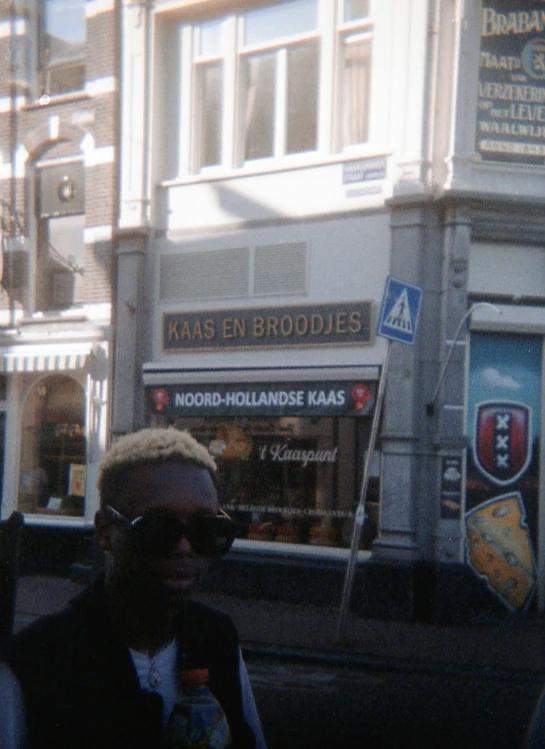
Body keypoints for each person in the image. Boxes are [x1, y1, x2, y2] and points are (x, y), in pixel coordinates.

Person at [0, 428, 267, 749]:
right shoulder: (34, 662)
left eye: (206, 530)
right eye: (157, 529)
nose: (184, 548)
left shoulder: (217, 639)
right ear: (105, 531)